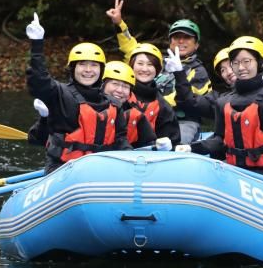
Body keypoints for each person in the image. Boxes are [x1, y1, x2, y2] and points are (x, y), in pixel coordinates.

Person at [178, 36, 263, 183]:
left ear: (261, 62)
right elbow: (219, 140)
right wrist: (192, 148)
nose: (240, 68)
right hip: (236, 172)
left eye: (246, 61)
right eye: (235, 63)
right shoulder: (224, 102)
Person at [25, 12, 130, 174]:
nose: (88, 70)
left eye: (94, 66)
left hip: (102, 171)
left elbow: (121, 142)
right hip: (63, 169)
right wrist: (37, 45)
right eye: (82, 65)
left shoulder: (114, 105)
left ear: (101, 70)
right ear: (73, 69)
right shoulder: (60, 94)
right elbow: (39, 82)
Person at [106, 0, 211, 143]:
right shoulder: (157, 63)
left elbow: (187, 101)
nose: (181, 41)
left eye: (187, 38)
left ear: (196, 45)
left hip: (182, 120)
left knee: (179, 142)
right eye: (176, 37)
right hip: (148, 112)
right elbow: (132, 49)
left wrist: (148, 101)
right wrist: (119, 23)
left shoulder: (199, 72)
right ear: (170, 41)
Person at [29, 61, 172, 151]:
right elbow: (37, 139)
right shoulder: (72, 105)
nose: (119, 91)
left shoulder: (136, 116)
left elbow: (146, 145)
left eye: (125, 87)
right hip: (72, 166)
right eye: (115, 84)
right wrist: (44, 117)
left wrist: (159, 148)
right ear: (102, 85)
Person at [124, 42, 182, 147]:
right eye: (140, 64)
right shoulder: (120, 94)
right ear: (131, 66)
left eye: (150, 64)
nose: (145, 69)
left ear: (157, 70)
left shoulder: (163, 106)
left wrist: (179, 74)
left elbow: (173, 142)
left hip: (148, 158)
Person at [167, 46, 236, 122]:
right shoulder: (221, 101)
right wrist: (179, 73)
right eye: (223, 70)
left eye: (231, 65)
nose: (229, 72)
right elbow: (189, 101)